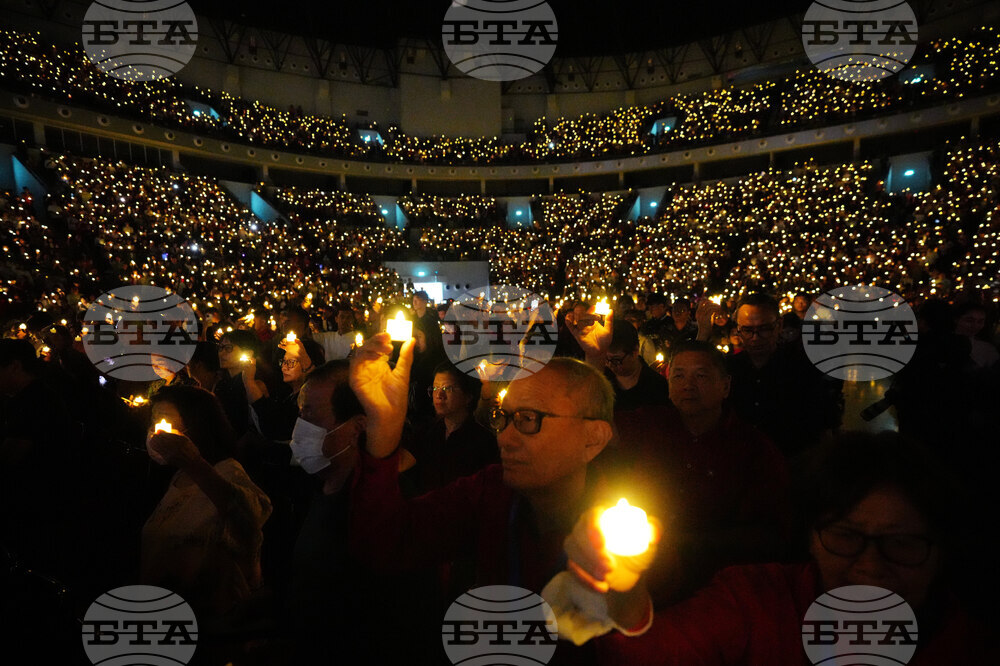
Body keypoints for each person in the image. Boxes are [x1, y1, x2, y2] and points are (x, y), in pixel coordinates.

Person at [562, 432, 995, 665]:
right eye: (845, 536)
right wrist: (623, 588)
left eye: (900, 543)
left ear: (941, 550)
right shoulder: (756, 602)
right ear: (810, 537)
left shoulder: (972, 648)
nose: (868, 567)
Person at [347, 333, 616, 655]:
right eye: (503, 418)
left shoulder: (629, 535)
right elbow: (386, 544)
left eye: (529, 419)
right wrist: (383, 429)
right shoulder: (489, 492)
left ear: (593, 438)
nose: (505, 438)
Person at [612, 341, 789, 601]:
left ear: (725, 386)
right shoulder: (649, 424)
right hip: (643, 581)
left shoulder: (753, 448)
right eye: (679, 375)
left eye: (701, 376)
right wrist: (593, 357)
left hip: (718, 589)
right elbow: (595, 429)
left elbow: (771, 534)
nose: (688, 385)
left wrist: (686, 543)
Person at [142, 386, 272, 617]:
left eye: (164, 422)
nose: (155, 432)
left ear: (197, 426)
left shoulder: (226, 472)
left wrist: (195, 463)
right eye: (153, 421)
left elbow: (253, 517)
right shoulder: (178, 476)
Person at [725, 293, 842, 459]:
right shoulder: (728, 369)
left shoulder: (803, 368)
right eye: (747, 330)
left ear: (779, 325)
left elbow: (824, 424)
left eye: (764, 329)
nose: (755, 338)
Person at [404, 361, 498, 494]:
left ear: (468, 396)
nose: (439, 395)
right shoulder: (427, 433)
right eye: (435, 388)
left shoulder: (484, 443)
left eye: (448, 388)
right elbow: (400, 463)